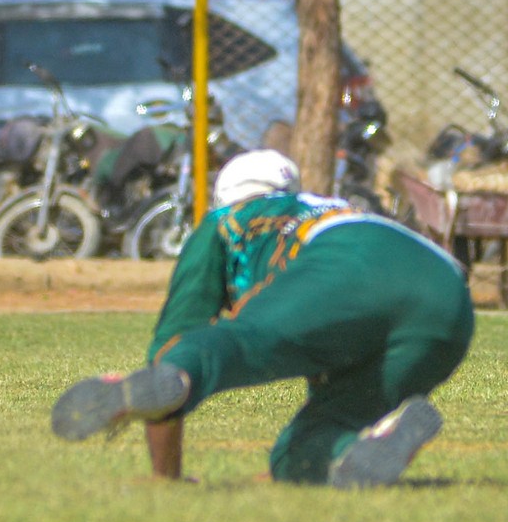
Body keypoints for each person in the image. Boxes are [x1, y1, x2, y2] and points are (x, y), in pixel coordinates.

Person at [50, 149, 476, 487]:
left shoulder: (224, 221)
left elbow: (173, 340)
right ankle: (360, 450)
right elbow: (329, 328)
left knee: (238, 338)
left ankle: (175, 382)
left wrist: (167, 474)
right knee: (299, 452)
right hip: (446, 295)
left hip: (347, 263)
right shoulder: (329, 207)